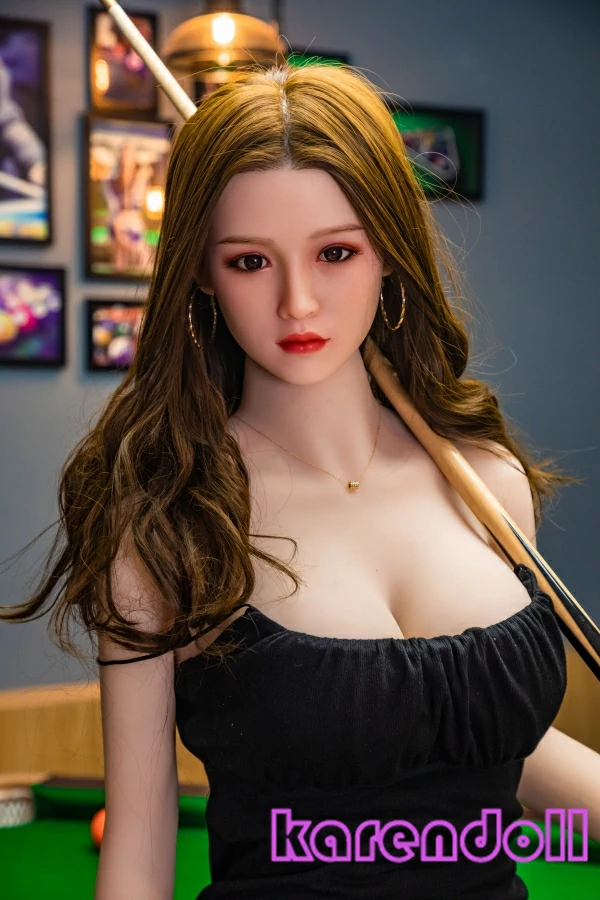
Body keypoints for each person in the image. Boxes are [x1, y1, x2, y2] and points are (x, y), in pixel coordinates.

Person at [1, 61, 599, 899]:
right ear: (201, 270)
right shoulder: (167, 524)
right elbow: (138, 844)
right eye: (251, 261)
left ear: (388, 250)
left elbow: (488, 745)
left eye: (336, 252)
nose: (299, 304)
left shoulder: (486, 481)